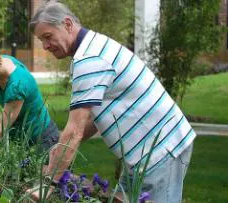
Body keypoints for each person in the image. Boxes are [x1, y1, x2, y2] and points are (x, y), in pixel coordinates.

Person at [28, 2, 195, 203]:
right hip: (143, 153)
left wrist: (48, 183)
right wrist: (61, 148)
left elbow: (74, 130)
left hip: (159, 151)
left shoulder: (90, 59)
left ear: (68, 24)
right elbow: (89, 120)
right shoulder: (92, 48)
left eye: (47, 37)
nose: (45, 46)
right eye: (41, 40)